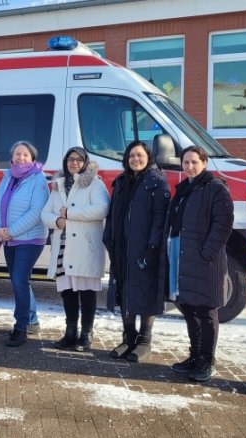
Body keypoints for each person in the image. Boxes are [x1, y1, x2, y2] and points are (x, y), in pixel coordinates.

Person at [164, 146, 234, 382]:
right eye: (186, 162)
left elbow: (223, 224)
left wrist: (207, 252)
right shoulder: (184, 189)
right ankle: (194, 355)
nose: (190, 166)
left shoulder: (215, 188)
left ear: (204, 163)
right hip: (184, 258)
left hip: (206, 262)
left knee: (206, 310)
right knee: (189, 308)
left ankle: (207, 359)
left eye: (194, 162)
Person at [103, 140, 170, 362]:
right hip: (122, 247)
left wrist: (152, 246)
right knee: (124, 289)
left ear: (148, 157)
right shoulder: (121, 181)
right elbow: (113, 213)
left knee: (146, 291)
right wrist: (109, 238)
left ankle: (144, 341)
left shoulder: (157, 181)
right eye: (131, 156)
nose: (135, 159)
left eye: (140, 155)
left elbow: (161, 218)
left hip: (145, 248)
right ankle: (128, 337)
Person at [41, 147, 110, 352]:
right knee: (68, 291)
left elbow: (102, 209)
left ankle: (86, 334)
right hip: (63, 244)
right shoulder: (58, 186)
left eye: (79, 159)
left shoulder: (95, 184)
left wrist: (70, 213)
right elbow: (45, 213)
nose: (74, 163)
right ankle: (70, 333)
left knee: (87, 291)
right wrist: (57, 221)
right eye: (70, 159)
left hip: (85, 246)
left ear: (85, 162)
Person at [0, 140, 49, 347]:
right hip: (9, 238)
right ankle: (32, 320)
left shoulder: (38, 179)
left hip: (30, 239)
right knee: (20, 281)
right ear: (12, 157)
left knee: (18, 280)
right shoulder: (8, 177)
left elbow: (36, 212)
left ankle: (21, 327)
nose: (21, 158)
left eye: (25, 154)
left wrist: (10, 232)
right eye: (17, 154)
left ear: (33, 158)